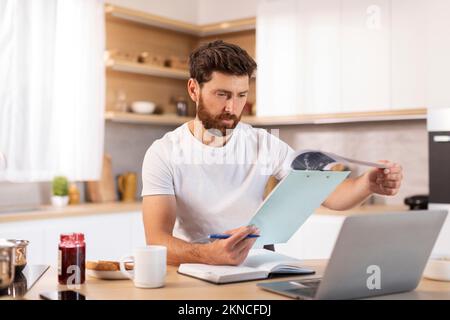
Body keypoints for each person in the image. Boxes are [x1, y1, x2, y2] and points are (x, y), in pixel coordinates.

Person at [141, 40, 403, 266]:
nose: (232, 107)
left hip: (257, 264)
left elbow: (330, 196)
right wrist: (210, 255)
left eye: (241, 95)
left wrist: (367, 184)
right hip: (197, 267)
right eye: (221, 94)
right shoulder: (164, 153)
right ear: (193, 90)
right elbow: (157, 240)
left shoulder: (263, 143)